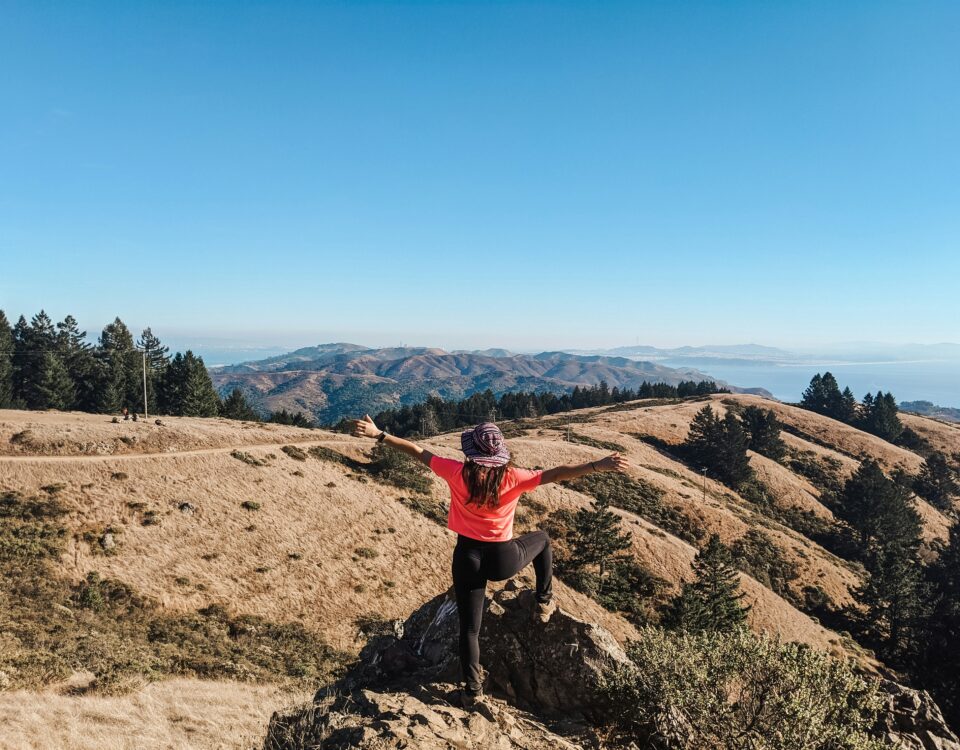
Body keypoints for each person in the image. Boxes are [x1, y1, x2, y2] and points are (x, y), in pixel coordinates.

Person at [351, 414, 629, 707]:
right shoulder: (513, 477)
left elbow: (418, 452)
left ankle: (472, 691)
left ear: (472, 452)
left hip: (467, 557)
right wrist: (598, 465)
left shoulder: (457, 472)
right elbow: (558, 473)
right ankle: (544, 601)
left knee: (469, 629)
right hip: (502, 559)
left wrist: (379, 434)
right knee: (543, 539)